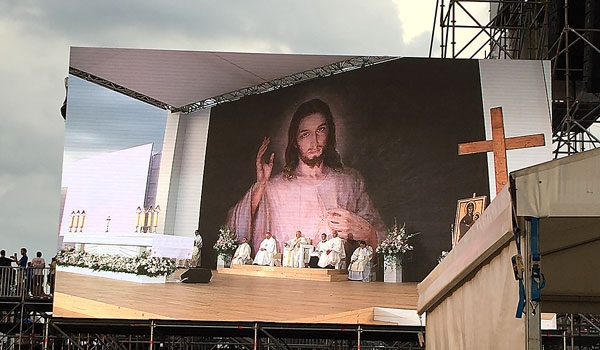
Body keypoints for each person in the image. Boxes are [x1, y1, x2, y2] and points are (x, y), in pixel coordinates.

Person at [226, 98, 385, 256]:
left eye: (320, 130)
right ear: (295, 141)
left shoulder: (350, 181)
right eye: (305, 134)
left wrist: (367, 233)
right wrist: (260, 185)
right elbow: (235, 229)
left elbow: (378, 236)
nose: (314, 141)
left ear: (329, 133)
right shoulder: (273, 188)